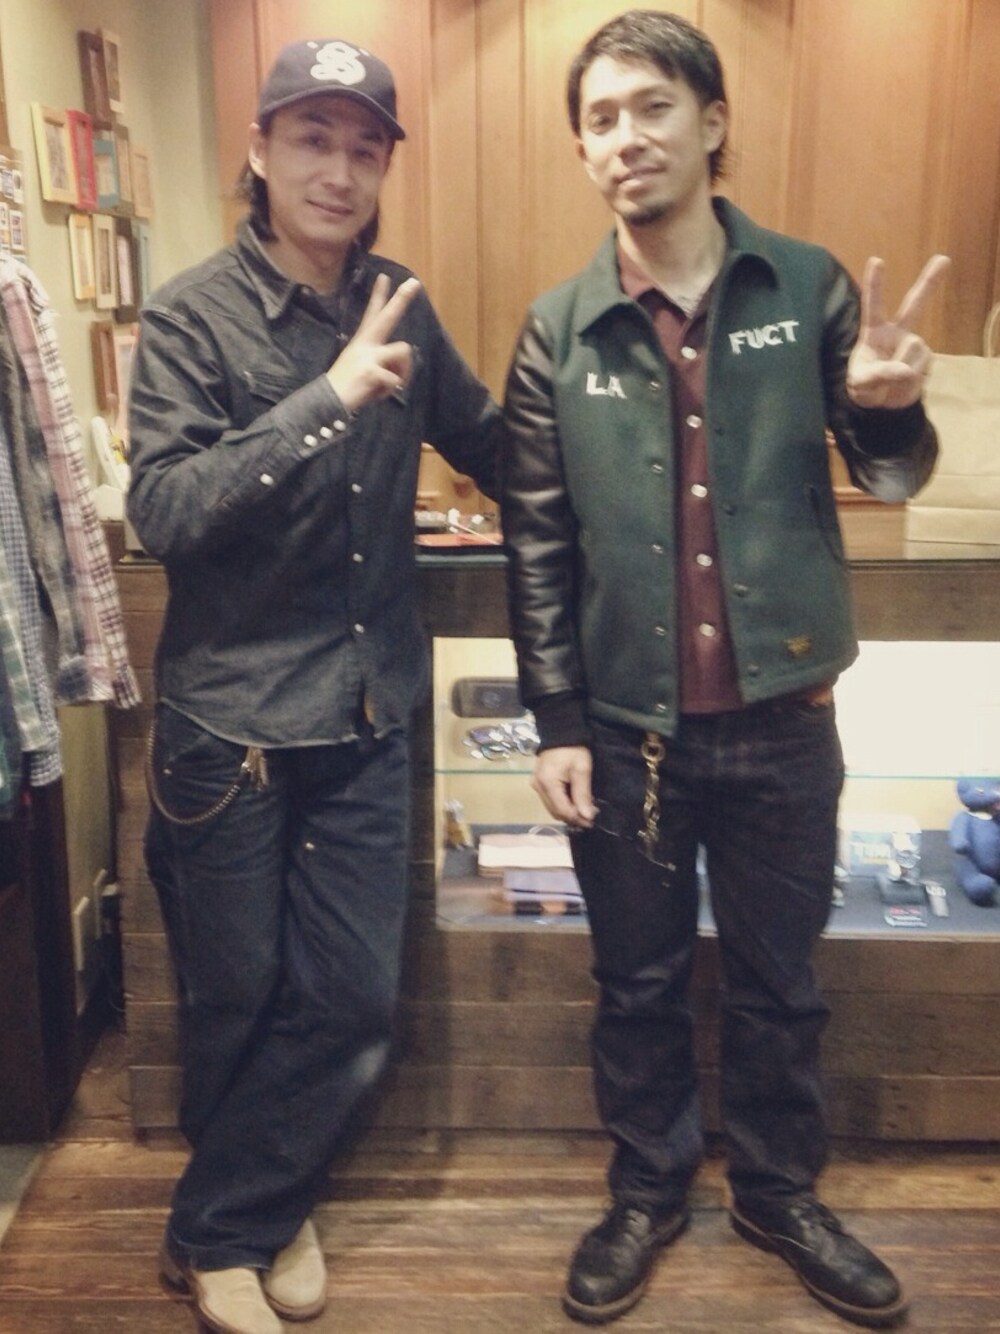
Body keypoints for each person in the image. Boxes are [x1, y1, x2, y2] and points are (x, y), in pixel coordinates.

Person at [501, 10, 948, 1329]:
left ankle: (777, 1189)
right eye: (599, 118)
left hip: (783, 719)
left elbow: (890, 477)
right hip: (625, 730)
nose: (625, 137)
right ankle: (646, 1188)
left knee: (780, 983)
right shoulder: (558, 329)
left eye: (651, 107)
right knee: (635, 984)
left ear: (712, 123)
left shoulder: (806, 287)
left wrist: (888, 414)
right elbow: (539, 543)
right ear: (582, 150)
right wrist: (556, 719)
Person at [127, 38, 500, 1334]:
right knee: (234, 997)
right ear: (260, 150)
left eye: (363, 147)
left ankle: (221, 1223)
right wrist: (324, 399)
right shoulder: (190, 315)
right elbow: (164, 510)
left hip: (365, 716)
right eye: (312, 140)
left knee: (349, 1001)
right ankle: (263, 1212)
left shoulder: (402, 302)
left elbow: (496, 443)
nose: (338, 171)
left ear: (384, 165)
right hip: (226, 731)